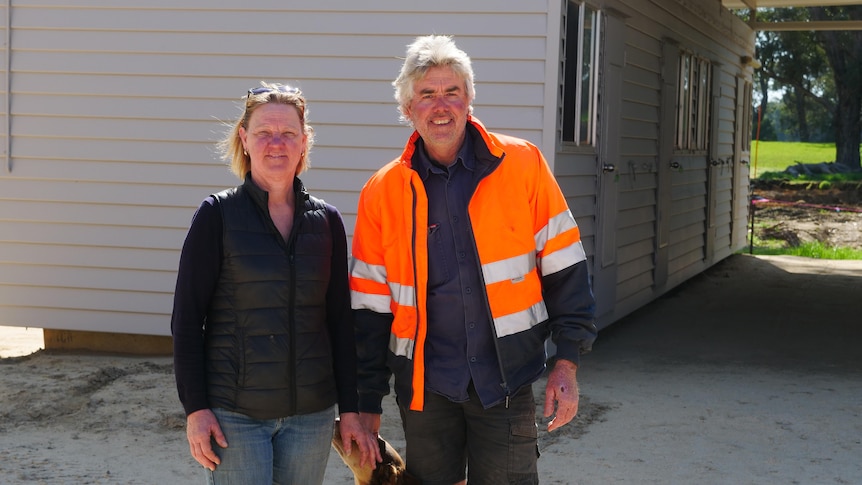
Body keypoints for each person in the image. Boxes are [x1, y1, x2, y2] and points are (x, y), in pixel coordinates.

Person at [349, 35, 598, 484]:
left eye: (452, 92)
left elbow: (566, 266)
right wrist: (367, 404)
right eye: (427, 94)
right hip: (426, 389)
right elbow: (369, 308)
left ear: (470, 100)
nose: (440, 105)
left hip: (506, 380)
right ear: (408, 108)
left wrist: (567, 361)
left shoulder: (522, 165)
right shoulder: (381, 191)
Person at [171, 82, 380, 484]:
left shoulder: (327, 222)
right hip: (235, 416)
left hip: (312, 418)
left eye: (288, 133)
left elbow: (339, 321)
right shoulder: (217, 216)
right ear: (244, 140)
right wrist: (196, 410)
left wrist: (349, 409)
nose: (276, 143)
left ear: (305, 142)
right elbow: (186, 322)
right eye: (264, 132)